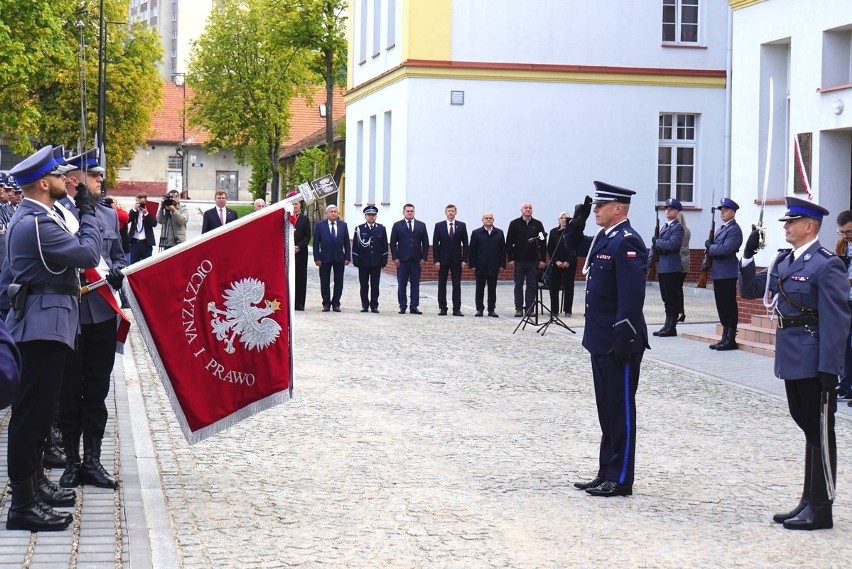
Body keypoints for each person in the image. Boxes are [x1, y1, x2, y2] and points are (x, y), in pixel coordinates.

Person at [4, 145, 103, 531]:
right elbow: (88, 254)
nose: (69, 181)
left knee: (40, 416)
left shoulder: (37, 216)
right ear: (44, 183)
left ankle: (34, 485)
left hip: (47, 324)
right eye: (61, 176)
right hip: (41, 328)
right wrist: (90, 213)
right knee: (31, 418)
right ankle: (23, 505)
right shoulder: (37, 223)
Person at [739, 197, 849, 530]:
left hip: (815, 358)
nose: (785, 226)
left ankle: (822, 508)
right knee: (807, 426)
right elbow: (750, 291)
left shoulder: (827, 264)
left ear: (810, 227)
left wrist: (831, 368)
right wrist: (747, 256)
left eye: (791, 222)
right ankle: (807, 501)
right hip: (791, 354)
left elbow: (837, 319)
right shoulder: (785, 261)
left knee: (820, 431)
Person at [564, 181, 648, 497]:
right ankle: (606, 472)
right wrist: (578, 218)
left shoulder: (628, 242)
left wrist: (624, 335)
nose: (596, 210)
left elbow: (632, 295)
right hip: (600, 338)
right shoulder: (605, 238)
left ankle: (622, 477)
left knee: (621, 410)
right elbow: (572, 245)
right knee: (607, 411)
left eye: (600, 206)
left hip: (619, 341)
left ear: (618, 208)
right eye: (594, 206)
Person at [56, 148, 126, 491]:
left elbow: (117, 255)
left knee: (97, 390)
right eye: (95, 175)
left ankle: (93, 460)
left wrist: (117, 272)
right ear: (75, 178)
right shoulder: (57, 214)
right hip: (69, 312)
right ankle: (71, 461)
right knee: (69, 392)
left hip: (99, 312)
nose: (101, 180)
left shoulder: (108, 216)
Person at [705, 198, 743, 350]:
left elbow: (726, 249)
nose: (722, 212)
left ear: (733, 213)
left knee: (728, 305)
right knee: (721, 305)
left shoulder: (734, 230)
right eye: (721, 209)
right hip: (718, 271)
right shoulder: (721, 229)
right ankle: (724, 336)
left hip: (727, 272)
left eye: (726, 210)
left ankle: (731, 338)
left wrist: (710, 247)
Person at [652, 198, 686, 337]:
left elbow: (672, 245)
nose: (667, 210)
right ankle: (667, 324)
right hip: (663, 266)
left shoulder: (677, 228)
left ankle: (672, 326)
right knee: (666, 297)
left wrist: (658, 241)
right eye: (666, 208)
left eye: (671, 209)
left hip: (672, 266)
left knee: (672, 298)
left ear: (677, 212)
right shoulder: (665, 227)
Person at [505, 202, 546, 317]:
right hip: (518, 260)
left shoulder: (538, 224)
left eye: (530, 208)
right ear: (521, 210)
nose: (528, 209)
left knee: (531, 285)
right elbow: (509, 243)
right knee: (518, 285)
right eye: (525, 208)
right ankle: (518, 308)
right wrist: (511, 258)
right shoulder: (514, 224)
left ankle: (530, 308)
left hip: (533, 261)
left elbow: (543, 242)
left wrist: (542, 259)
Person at [389, 203, 429, 314]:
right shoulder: (397, 225)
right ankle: (402, 305)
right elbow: (393, 242)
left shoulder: (421, 225)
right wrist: (395, 257)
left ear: (414, 212)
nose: (410, 212)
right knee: (402, 284)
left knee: (415, 284)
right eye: (408, 211)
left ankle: (414, 306)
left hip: (416, 260)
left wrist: (424, 257)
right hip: (402, 260)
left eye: (412, 211)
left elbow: (425, 242)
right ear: (403, 212)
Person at [432, 204, 469, 316]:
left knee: (456, 284)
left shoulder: (462, 226)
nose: (451, 213)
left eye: (453, 211)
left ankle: (456, 309)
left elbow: (466, 244)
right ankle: (443, 308)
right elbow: (435, 244)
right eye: (449, 211)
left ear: (455, 212)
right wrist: (436, 260)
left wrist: (464, 260)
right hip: (443, 260)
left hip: (457, 260)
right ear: (445, 212)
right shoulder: (439, 226)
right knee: (441, 284)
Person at [312, 204, 350, 312]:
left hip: (339, 258)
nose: (333, 213)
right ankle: (326, 303)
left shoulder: (343, 225)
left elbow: (347, 242)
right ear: (327, 213)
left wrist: (347, 257)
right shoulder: (320, 225)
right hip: (324, 258)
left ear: (338, 213)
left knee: (339, 281)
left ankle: (336, 303)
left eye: (335, 212)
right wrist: (317, 258)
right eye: (331, 211)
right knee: (325, 281)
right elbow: (315, 244)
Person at [352, 205, 388, 313]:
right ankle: (364, 305)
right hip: (363, 261)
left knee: (375, 285)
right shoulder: (359, 229)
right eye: (369, 215)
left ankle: (374, 305)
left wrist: (384, 259)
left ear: (376, 216)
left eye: (373, 215)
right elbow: (355, 246)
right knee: (364, 284)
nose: (371, 217)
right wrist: (355, 259)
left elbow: (384, 245)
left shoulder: (381, 228)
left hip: (376, 262)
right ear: (365, 216)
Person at [468, 212, 506, 317]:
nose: (488, 220)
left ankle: (491, 309)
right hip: (480, 265)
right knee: (479, 288)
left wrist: (502, 264)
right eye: (486, 218)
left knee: (492, 289)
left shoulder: (499, 233)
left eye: (490, 218)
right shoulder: (476, 233)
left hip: (494, 265)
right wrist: (472, 265)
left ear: (493, 220)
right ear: (482, 220)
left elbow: (503, 250)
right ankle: (479, 309)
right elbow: (472, 250)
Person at [835, 210, 852, 403]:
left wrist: (846, 281)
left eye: (848, 232)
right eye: (842, 232)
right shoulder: (842, 244)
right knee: (845, 346)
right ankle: (846, 384)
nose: (846, 236)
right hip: (845, 301)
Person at [546, 212, 577, 317]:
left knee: (569, 286)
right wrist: (556, 261)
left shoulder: (574, 232)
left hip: (570, 263)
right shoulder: (553, 232)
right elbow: (550, 249)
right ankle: (554, 310)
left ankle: (568, 309)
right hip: (557, 263)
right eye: (562, 218)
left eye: (566, 218)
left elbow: (576, 248)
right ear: (558, 220)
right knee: (554, 286)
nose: (564, 220)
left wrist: (568, 261)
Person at [292, 200, 311, 311]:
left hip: (300, 252)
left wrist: (298, 247)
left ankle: (299, 303)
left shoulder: (304, 219)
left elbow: (307, 236)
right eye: (293, 204)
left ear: (300, 206)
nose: (294, 206)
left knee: (300, 277)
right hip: (287, 252)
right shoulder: (285, 218)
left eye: (296, 204)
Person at [127, 193, 157, 263]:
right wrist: (134, 209)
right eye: (138, 202)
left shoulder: (150, 211)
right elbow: (127, 220)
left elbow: (154, 224)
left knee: (146, 264)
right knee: (133, 264)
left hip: (146, 243)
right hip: (135, 242)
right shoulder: (134, 212)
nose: (141, 205)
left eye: (142, 203)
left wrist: (146, 213)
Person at [678, 211, 691, 322]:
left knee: (675, 288)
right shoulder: (687, 231)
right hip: (686, 262)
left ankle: (679, 312)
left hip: (678, 262)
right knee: (679, 287)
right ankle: (681, 312)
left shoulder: (678, 231)